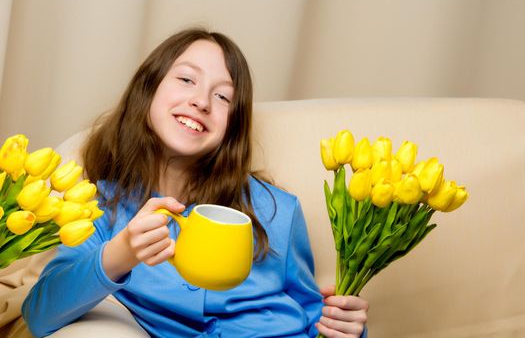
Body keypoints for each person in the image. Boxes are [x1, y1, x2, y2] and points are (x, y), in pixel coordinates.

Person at [22, 28, 368, 337]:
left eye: (223, 97)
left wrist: (347, 327)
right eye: (187, 80)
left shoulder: (276, 209)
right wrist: (120, 254)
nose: (201, 101)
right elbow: (40, 316)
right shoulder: (99, 206)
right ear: (149, 89)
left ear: (232, 124)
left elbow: (312, 315)